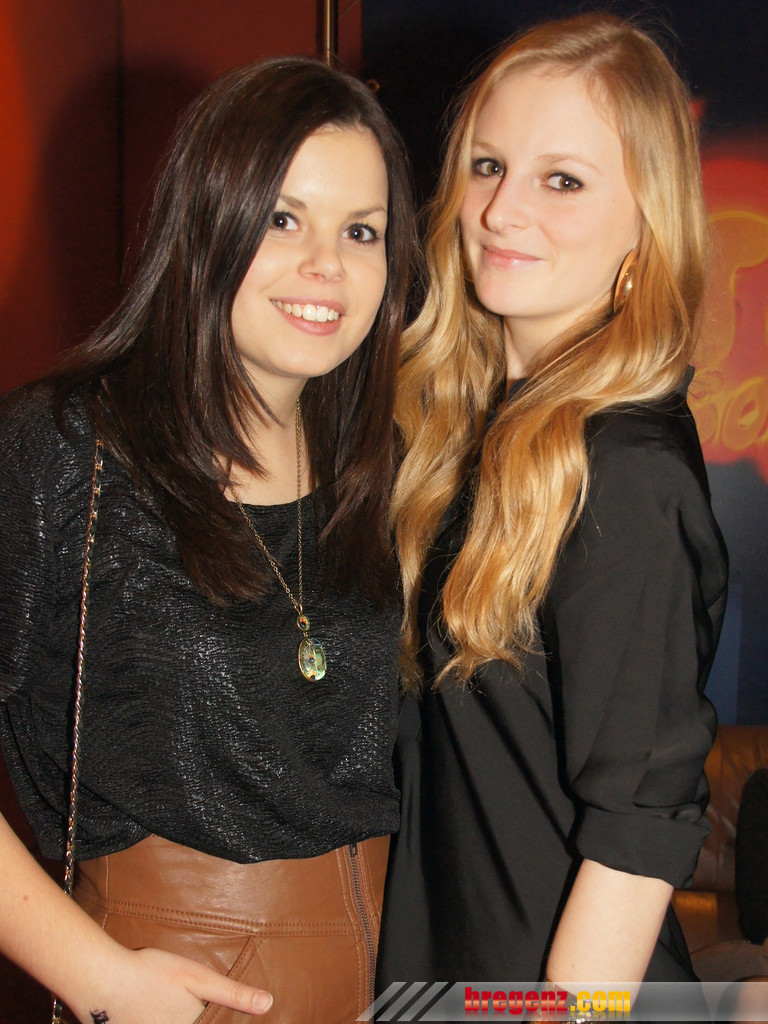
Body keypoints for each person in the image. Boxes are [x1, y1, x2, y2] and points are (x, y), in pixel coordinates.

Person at [0, 56, 413, 1024]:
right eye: (282, 218)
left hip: (386, 970)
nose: (327, 265)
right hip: (174, 981)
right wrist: (97, 978)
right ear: (204, 221)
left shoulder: (385, 465)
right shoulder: (65, 445)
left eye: (361, 231)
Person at [376, 11, 728, 1010]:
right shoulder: (462, 436)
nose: (500, 210)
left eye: (562, 180)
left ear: (645, 221)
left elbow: (637, 838)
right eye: (487, 166)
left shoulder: (626, 469)